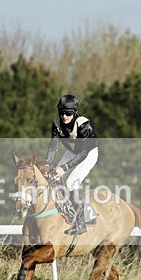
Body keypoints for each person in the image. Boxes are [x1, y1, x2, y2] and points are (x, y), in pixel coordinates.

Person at [45, 94, 99, 235]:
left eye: (68, 113)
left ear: (74, 112)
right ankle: (63, 211)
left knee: (70, 184)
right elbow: (53, 147)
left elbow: (83, 153)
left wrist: (64, 168)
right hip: (71, 152)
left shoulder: (84, 125)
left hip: (88, 154)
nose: (64, 116)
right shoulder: (56, 123)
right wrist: (46, 165)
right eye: (61, 112)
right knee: (53, 178)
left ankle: (82, 222)